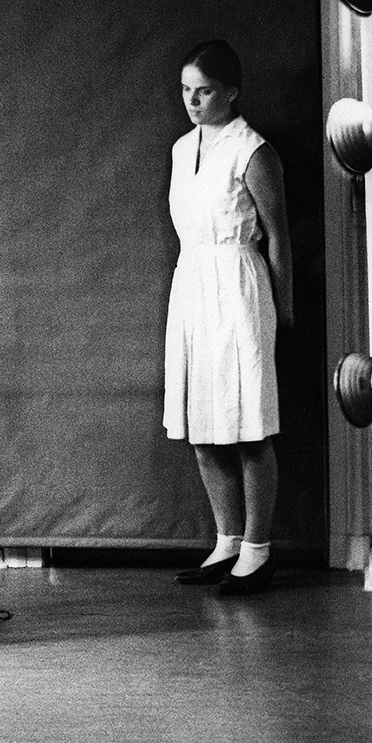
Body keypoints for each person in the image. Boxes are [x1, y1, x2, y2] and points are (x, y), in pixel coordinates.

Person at [163, 40, 292, 595]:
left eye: (205, 90)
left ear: (232, 92)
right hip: (192, 285)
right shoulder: (179, 148)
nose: (193, 101)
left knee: (245, 426)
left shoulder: (253, 151)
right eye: (186, 90)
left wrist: (284, 312)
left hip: (239, 288)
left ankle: (259, 552)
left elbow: (280, 236)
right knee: (202, 426)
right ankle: (228, 541)